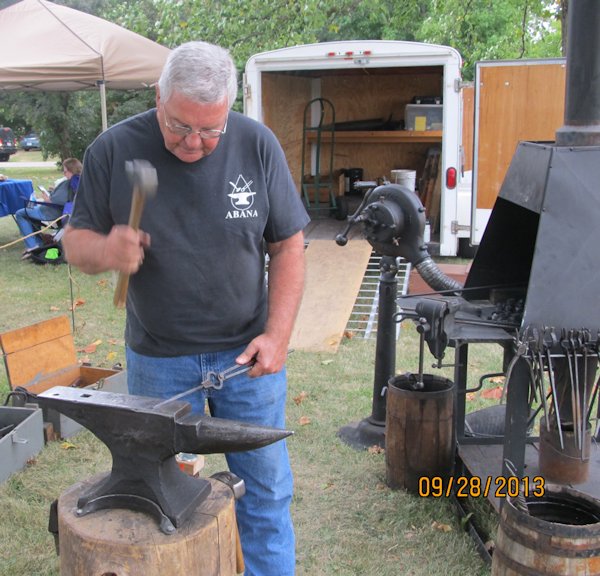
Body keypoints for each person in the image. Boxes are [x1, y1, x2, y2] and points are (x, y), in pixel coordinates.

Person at [62, 41, 309, 575]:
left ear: (229, 109)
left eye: (210, 130)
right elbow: (73, 241)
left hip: (248, 358)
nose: (195, 143)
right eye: (180, 127)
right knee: (159, 506)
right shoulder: (113, 149)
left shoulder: (257, 144)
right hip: (159, 361)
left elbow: (288, 245)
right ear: (158, 97)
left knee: (266, 495)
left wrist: (279, 333)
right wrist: (106, 250)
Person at [16, 157, 81, 259]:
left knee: (20, 213)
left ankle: (32, 246)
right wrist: (52, 192)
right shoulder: (78, 180)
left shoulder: (70, 182)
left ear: (71, 170)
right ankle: (37, 243)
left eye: (65, 171)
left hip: (51, 211)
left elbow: (57, 201)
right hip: (57, 209)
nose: (64, 173)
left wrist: (48, 199)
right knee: (28, 209)